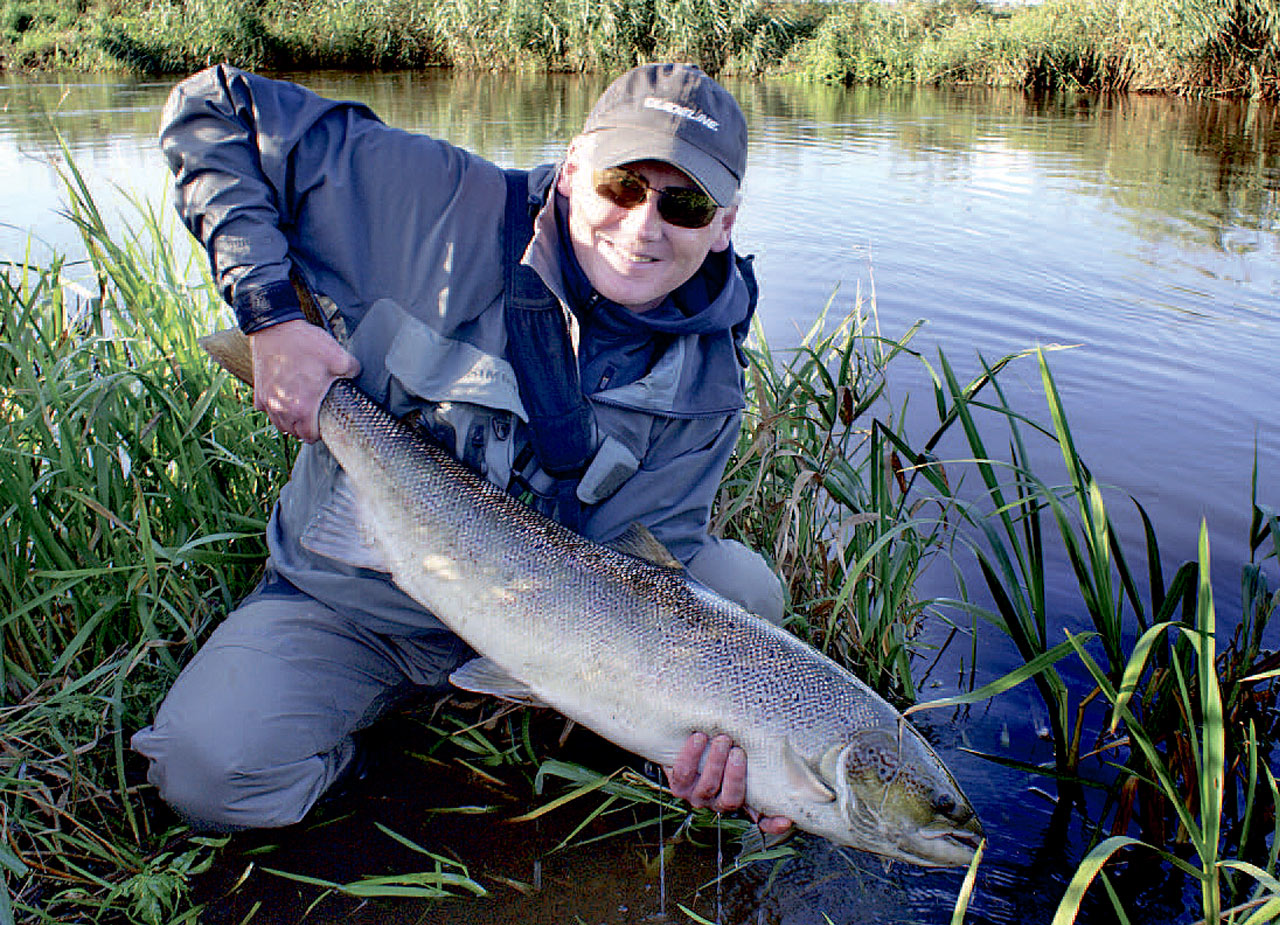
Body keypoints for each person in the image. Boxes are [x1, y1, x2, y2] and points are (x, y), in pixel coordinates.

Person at [131, 62, 791, 838]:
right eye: (622, 185)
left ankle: (563, 713)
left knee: (743, 596)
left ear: (725, 223)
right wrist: (269, 316)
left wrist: (728, 752)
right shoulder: (435, 204)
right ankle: (368, 749)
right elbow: (216, 110)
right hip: (358, 602)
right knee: (207, 770)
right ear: (574, 168)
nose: (643, 227)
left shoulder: (710, 380)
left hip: (550, 629)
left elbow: (652, 571)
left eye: (683, 203)